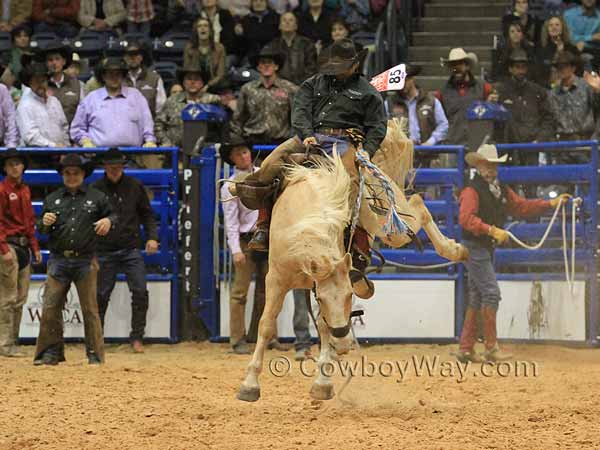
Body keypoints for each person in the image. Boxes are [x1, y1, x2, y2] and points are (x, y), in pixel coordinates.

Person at [241, 39, 386, 298]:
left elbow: (377, 126)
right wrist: (306, 133)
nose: (337, 70)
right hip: (310, 137)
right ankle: (263, 225)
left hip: (346, 142)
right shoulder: (313, 84)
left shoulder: (368, 92)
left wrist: (367, 149)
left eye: (343, 65)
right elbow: (300, 111)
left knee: (352, 186)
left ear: (355, 65)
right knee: (270, 166)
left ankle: (356, 247)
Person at [456, 144, 569, 363]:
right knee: (490, 293)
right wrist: (491, 229)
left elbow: (521, 206)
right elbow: (465, 219)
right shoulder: (472, 190)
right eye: (487, 165)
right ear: (479, 166)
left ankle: (466, 348)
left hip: (481, 247)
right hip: (476, 246)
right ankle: (490, 348)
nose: (491, 169)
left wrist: (549, 203)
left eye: (493, 165)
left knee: (479, 295)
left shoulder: (497, 189)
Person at [34, 154, 116, 366]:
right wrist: (44, 222)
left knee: (90, 309)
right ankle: (49, 353)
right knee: (50, 307)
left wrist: (108, 220)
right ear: (62, 175)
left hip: (86, 261)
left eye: (75, 173)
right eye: (67, 173)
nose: (71, 176)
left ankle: (94, 354)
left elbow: (113, 216)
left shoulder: (97, 197)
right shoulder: (52, 199)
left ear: (83, 175)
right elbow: (41, 228)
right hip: (58, 260)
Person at [93, 148, 159, 354]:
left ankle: (137, 336)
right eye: (111, 167)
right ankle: (97, 336)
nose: (114, 170)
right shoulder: (95, 189)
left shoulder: (134, 186)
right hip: (105, 249)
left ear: (122, 167)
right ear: (105, 167)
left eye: (118, 167)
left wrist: (152, 237)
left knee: (140, 291)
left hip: (130, 247)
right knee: (101, 295)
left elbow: (147, 215)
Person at [220, 136, 268, 354]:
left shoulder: (264, 175)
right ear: (232, 159)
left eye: (245, 151)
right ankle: (238, 339)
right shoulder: (230, 185)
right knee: (240, 292)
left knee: (266, 291)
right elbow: (230, 221)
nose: (243, 156)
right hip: (246, 239)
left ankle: (263, 337)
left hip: (266, 237)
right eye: (237, 153)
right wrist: (236, 250)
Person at [70, 57, 157, 163]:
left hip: (132, 158)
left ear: (123, 75)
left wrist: (149, 140)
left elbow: (147, 122)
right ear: (103, 76)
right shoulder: (91, 99)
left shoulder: (136, 96)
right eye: (110, 73)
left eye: (118, 73)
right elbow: (77, 128)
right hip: (99, 158)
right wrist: (85, 141)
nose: (114, 77)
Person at [0, 149, 41, 358]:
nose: (14, 167)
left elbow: (29, 222)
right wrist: (3, 248)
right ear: (5, 168)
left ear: (23, 167)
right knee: (8, 298)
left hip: (23, 246)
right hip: (9, 246)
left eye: (17, 163)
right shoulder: (2, 190)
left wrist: (34, 246)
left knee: (20, 298)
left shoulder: (24, 190)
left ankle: (12, 342)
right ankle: (5, 344)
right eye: (10, 164)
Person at [494, 48, 555, 162]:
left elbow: (548, 119)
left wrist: (540, 140)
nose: (521, 71)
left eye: (523, 67)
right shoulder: (501, 92)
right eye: (517, 67)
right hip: (509, 149)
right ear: (510, 69)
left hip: (533, 147)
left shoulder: (538, 91)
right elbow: (496, 123)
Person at [230, 44, 298, 145]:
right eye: (262, 62)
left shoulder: (290, 89)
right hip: (252, 140)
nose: (266, 66)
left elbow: (297, 117)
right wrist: (238, 141)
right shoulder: (247, 89)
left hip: (280, 142)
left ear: (276, 66)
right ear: (258, 67)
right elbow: (238, 118)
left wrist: (293, 141)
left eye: (269, 62)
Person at [437, 48, 495, 153]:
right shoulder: (442, 93)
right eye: (453, 65)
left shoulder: (484, 88)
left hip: (478, 147)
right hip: (453, 147)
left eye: (460, 64)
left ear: (467, 65)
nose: (456, 68)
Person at [155, 65, 224, 149]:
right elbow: (159, 124)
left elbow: (222, 128)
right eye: (189, 79)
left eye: (196, 79)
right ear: (183, 82)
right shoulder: (172, 101)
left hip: (205, 153)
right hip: (175, 154)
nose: (192, 82)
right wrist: (166, 143)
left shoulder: (213, 101)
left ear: (202, 83)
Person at [388, 65, 448, 148]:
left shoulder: (431, 101)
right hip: (401, 154)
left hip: (427, 154)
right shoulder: (389, 103)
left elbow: (443, 125)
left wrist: (431, 142)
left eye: (404, 80)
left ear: (412, 79)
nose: (401, 84)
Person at [549, 50, 600, 144]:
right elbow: (551, 120)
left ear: (573, 68)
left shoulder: (586, 87)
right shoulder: (552, 94)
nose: (561, 69)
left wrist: (598, 91)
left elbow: (598, 111)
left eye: (564, 66)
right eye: (558, 67)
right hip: (562, 145)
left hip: (586, 142)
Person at [16, 61, 70, 148]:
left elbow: (64, 127)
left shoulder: (55, 101)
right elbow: (30, 137)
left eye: (43, 81)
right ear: (29, 84)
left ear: (47, 81)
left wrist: (66, 147)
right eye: (36, 81)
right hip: (37, 154)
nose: (40, 85)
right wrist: (54, 146)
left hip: (60, 152)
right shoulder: (25, 106)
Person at [42, 41, 84, 125]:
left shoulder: (77, 85)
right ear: (46, 63)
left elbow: (83, 113)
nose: (54, 63)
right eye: (50, 60)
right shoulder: (41, 85)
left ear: (64, 61)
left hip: (72, 134)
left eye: (57, 59)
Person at [269, 12, 317, 86]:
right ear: (279, 26)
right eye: (284, 20)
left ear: (296, 26)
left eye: (291, 20)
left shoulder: (307, 44)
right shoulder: (272, 45)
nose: (287, 22)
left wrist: (300, 85)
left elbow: (312, 68)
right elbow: (270, 68)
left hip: (304, 87)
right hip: (279, 88)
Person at [122, 39, 167, 117]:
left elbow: (161, 109)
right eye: (129, 54)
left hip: (149, 125)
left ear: (141, 57)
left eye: (136, 54)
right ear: (125, 58)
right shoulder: (119, 79)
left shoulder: (154, 79)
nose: (133, 58)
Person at [183, 16, 227, 93]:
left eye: (206, 26)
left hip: (215, 87)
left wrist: (207, 86)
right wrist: (197, 86)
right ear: (196, 31)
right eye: (199, 26)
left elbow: (220, 74)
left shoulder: (219, 48)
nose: (202, 28)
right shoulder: (189, 48)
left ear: (210, 30)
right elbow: (187, 71)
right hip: (195, 86)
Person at [534, 15, 580, 88]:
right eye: (550, 25)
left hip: (569, 87)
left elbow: (578, 71)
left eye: (557, 25)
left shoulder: (572, 48)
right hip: (545, 87)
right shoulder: (540, 48)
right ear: (547, 29)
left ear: (562, 28)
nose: (554, 27)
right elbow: (537, 73)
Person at [240, 0, 280, 64]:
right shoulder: (245, 20)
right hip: (251, 55)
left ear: (266, 3)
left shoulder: (276, 18)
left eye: (261, 0)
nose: (258, 3)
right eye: (255, 1)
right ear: (251, 3)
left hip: (272, 54)